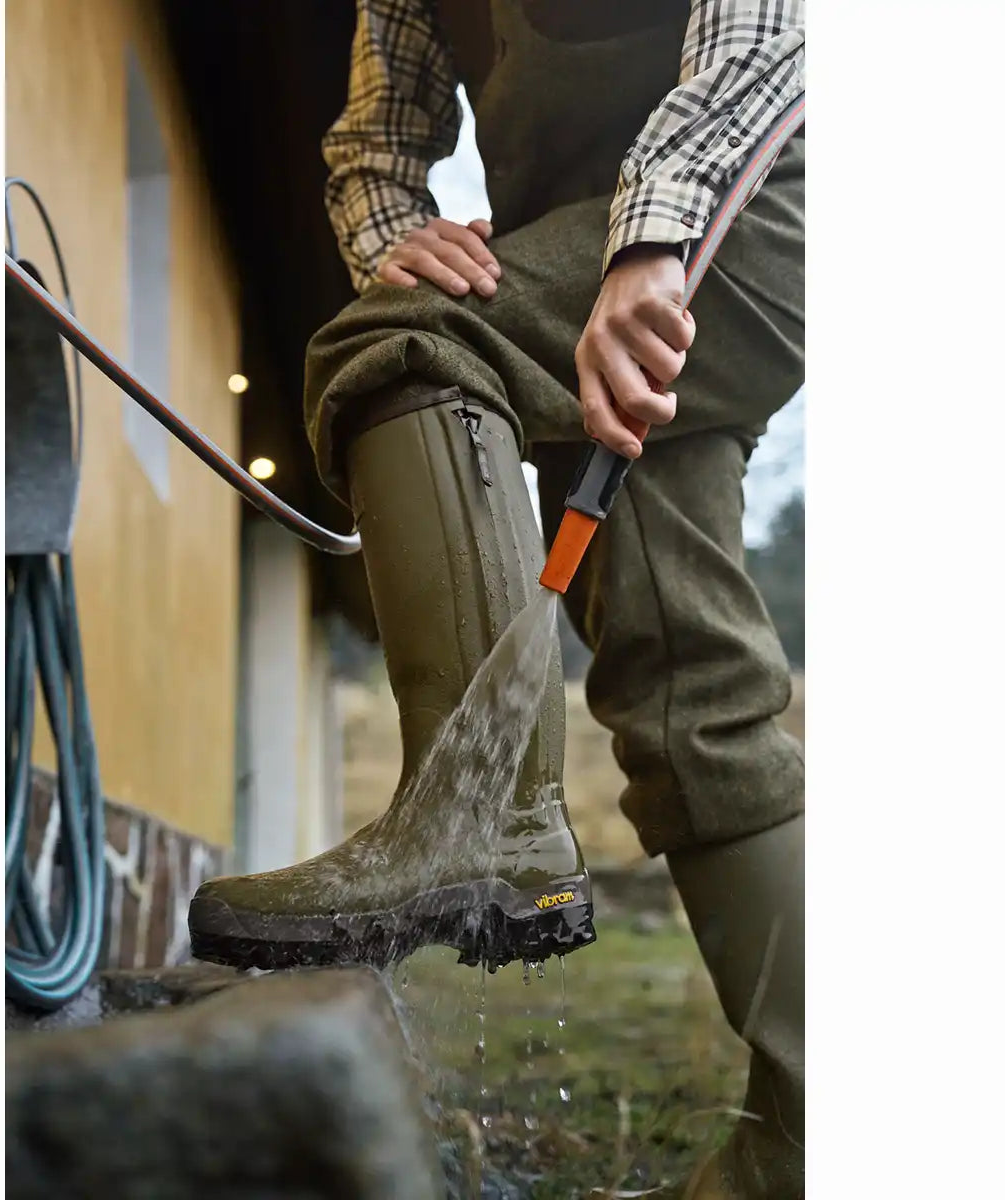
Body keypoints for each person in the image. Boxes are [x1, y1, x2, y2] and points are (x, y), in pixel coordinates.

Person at [192, 3, 804, 1195]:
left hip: (757, 204)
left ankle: (481, 823)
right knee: (686, 678)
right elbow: (373, 145)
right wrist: (396, 241)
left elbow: (764, 37)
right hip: (594, 267)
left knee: (410, 341)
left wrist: (648, 246)